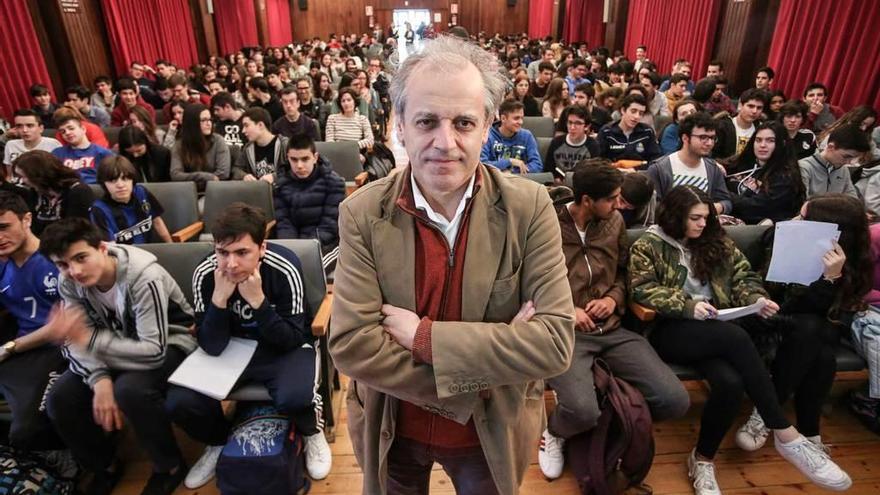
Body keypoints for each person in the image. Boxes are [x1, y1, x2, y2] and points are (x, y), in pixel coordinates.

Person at [328, 35, 575, 495]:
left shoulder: (530, 207)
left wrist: (423, 337)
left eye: (463, 122)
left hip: (490, 432)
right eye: (426, 121)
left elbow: (553, 343)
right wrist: (484, 367)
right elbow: (352, 345)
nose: (446, 143)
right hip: (392, 425)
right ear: (399, 125)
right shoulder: (361, 213)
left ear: (486, 127)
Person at [628, 186, 852, 494]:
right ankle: (783, 430)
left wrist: (757, 299)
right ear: (674, 215)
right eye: (694, 218)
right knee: (734, 336)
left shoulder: (716, 241)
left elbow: (745, 277)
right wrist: (689, 305)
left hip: (719, 327)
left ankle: (702, 459)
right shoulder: (648, 244)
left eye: (706, 218)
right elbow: (642, 289)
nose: (701, 225)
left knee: (731, 383)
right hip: (673, 328)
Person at [538, 160, 689, 480]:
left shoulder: (615, 222)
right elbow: (531, 282)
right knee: (581, 411)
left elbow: (623, 272)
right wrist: (567, 310)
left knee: (674, 401)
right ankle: (555, 431)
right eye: (612, 198)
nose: (619, 204)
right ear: (588, 200)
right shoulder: (546, 224)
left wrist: (612, 298)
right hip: (567, 332)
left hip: (612, 328)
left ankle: (610, 421)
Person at [167, 203, 331, 488]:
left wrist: (259, 302)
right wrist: (219, 300)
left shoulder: (284, 266)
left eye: (242, 253)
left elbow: (292, 338)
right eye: (223, 252)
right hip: (229, 349)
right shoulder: (206, 273)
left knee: (295, 396)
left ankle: (311, 432)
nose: (231, 264)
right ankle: (217, 442)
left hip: (280, 349)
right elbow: (210, 345)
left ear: (262, 248)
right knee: (180, 401)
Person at [40, 218, 197, 495]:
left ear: (102, 248)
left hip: (171, 340)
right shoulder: (69, 282)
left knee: (131, 390)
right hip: (114, 345)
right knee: (60, 398)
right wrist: (99, 379)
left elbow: (153, 351)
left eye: (80, 258)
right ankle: (104, 465)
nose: (73, 271)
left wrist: (88, 341)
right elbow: (74, 341)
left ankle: (169, 466)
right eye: (62, 264)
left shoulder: (142, 277)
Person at [734, 194, 872, 472]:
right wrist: (827, 280)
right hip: (774, 319)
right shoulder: (781, 238)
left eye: (805, 218)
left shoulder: (853, 255)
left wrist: (833, 276)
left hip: (821, 327)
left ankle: (770, 414)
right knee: (819, 348)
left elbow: (842, 308)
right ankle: (803, 429)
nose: (796, 221)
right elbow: (785, 306)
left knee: (815, 333)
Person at [0, 191, 69, 455]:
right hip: (22, 351)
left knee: (27, 430)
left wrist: (10, 347)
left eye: (4, 227)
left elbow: (63, 325)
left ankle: (76, 462)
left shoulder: (57, 260)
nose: (0, 237)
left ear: (26, 219)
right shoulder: (2, 265)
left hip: (58, 351)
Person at [274, 135, 346, 272]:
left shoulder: (334, 182)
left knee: (312, 269)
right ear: (287, 158)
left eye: (305, 159)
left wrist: (306, 248)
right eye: (294, 160)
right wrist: (292, 248)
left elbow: (330, 225)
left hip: (327, 243)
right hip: (294, 243)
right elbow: (283, 222)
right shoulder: (281, 184)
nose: (299, 165)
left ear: (315, 157)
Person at [646, 112, 732, 215]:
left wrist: (715, 208)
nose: (709, 143)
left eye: (712, 138)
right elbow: (653, 206)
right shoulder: (659, 168)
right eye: (703, 137)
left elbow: (726, 202)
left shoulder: (712, 169)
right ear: (685, 138)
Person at [729, 121, 805, 224]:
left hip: (762, 229)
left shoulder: (786, 176)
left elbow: (756, 207)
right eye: (758, 140)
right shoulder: (746, 162)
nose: (762, 145)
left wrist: (724, 195)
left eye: (770, 141)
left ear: (782, 144)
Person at [90, 156, 172, 244]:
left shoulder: (141, 192)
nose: (120, 185)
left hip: (150, 252)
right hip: (124, 256)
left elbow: (157, 222)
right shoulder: (99, 210)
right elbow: (110, 248)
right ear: (103, 184)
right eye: (113, 181)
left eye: (125, 179)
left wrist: (170, 245)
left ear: (132, 179)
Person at [13, 150, 94, 236]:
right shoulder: (35, 192)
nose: (21, 182)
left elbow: (76, 231)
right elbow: (31, 227)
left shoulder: (78, 192)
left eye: (23, 177)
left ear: (38, 175)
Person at [170, 104, 231, 189]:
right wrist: (204, 176)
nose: (209, 123)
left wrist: (194, 181)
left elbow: (223, 174)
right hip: (188, 192)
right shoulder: (180, 145)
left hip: (215, 190)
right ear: (192, 123)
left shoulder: (218, 140)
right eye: (203, 120)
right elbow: (175, 175)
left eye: (210, 119)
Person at [799, 124, 869, 198]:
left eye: (854, 158)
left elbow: (852, 201)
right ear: (830, 147)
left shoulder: (843, 170)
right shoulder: (804, 167)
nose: (850, 162)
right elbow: (801, 204)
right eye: (846, 156)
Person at [51, 108, 114, 184]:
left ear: (83, 129)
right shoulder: (57, 154)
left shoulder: (102, 153)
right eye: (63, 131)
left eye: (71, 128)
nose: (67, 133)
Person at [480, 99, 542, 174]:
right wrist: (509, 161)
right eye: (516, 118)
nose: (520, 122)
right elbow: (482, 164)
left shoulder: (527, 136)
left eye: (522, 118)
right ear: (503, 118)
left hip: (520, 181)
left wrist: (512, 173)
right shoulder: (488, 136)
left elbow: (537, 165)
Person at [597, 93, 661, 162]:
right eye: (633, 111)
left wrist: (635, 168)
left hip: (640, 171)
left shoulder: (647, 132)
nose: (637, 116)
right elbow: (599, 161)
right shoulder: (606, 132)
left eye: (641, 113)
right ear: (623, 110)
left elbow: (655, 160)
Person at [234, 107, 288, 182]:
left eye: (246, 126)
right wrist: (244, 176)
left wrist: (274, 177)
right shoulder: (248, 148)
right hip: (258, 191)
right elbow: (236, 170)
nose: (243, 131)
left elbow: (293, 170)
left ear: (260, 125)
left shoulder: (285, 145)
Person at [2, 109, 61, 178]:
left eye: (30, 126)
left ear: (41, 128)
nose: (24, 130)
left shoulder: (53, 144)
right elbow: (10, 176)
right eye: (19, 126)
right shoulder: (11, 145)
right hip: (16, 186)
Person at [543, 106, 599, 177]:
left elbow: (594, 175)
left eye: (578, 123)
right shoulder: (556, 142)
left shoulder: (593, 146)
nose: (572, 127)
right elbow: (548, 171)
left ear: (586, 127)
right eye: (570, 122)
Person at [713, 88, 765, 160]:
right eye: (750, 106)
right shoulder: (722, 126)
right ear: (740, 105)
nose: (754, 111)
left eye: (759, 108)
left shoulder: (762, 128)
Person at [325, 88, 373, 154]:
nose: (346, 103)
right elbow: (329, 141)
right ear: (340, 104)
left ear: (354, 101)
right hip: (337, 152)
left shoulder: (362, 119)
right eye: (343, 101)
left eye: (349, 100)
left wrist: (354, 146)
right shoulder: (332, 118)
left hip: (355, 152)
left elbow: (370, 140)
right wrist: (342, 148)